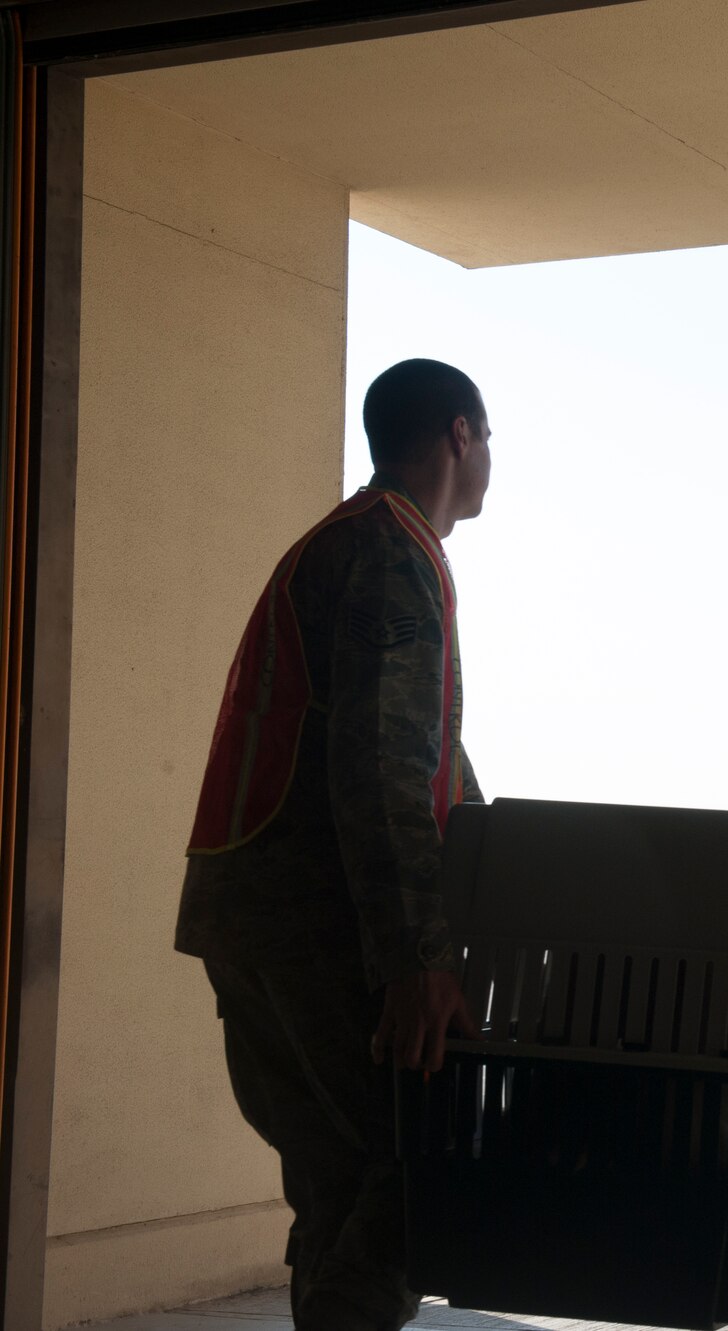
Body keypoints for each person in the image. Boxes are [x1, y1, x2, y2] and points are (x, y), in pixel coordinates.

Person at [175, 358, 492, 1331]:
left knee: (336, 1188)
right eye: (490, 441)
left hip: (250, 920)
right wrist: (416, 958)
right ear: (459, 434)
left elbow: (424, 750)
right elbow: (384, 762)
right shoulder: (390, 552)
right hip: (318, 928)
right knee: (416, 1176)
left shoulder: (345, 544)